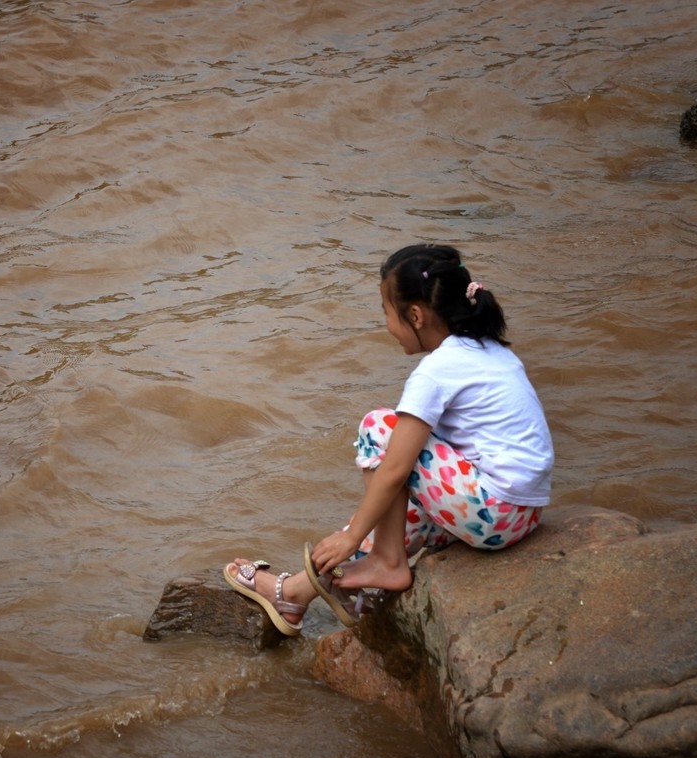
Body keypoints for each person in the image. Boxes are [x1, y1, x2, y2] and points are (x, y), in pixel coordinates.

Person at [223, 243, 554, 636]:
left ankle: (388, 561)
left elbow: (395, 466)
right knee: (392, 517)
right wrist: (361, 530)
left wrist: (351, 535)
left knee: (379, 427)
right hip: (523, 515)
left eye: (387, 312)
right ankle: (294, 595)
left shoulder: (437, 370)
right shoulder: (489, 349)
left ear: (415, 315)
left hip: (496, 512)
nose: (386, 326)